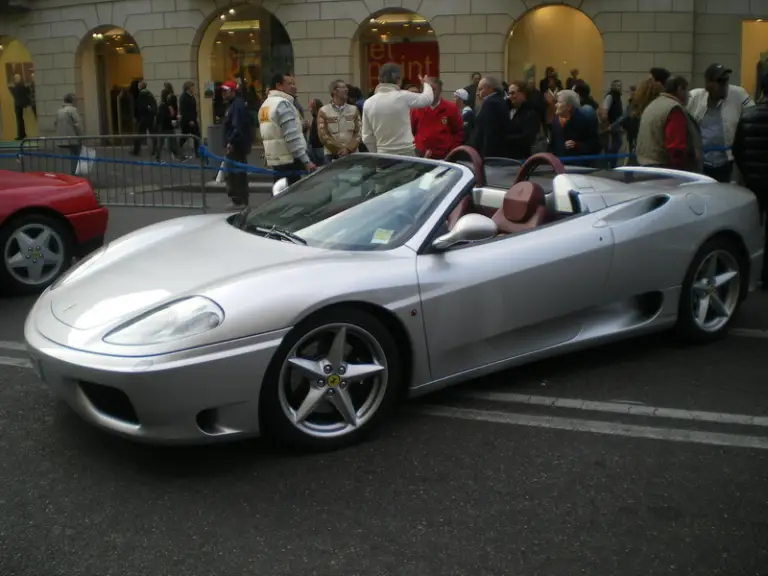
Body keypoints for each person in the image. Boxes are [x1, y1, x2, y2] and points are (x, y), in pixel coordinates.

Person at [687, 63, 755, 182]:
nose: (724, 85)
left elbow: (753, 115)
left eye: (726, 80)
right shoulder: (694, 97)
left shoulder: (738, 95)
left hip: (727, 161)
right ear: (708, 83)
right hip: (701, 162)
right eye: (720, 81)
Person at [732, 73, 768, 289]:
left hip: (753, 183)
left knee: (753, 227)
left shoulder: (748, 116)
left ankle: (748, 274)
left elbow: (737, 150)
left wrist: (748, 172)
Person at [361, 63, 433, 155]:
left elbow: (367, 137)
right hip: (406, 152)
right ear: (398, 80)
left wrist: (376, 154)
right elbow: (428, 99)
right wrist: (426, 84)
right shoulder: (403, 96)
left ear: (379, 79)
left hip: (383, 153)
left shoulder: (368, 103)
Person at [636, 75, 702, 173]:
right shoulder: (674, 109)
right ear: (679, 89)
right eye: (686, 90)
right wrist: (680, 171)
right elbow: (676, 148)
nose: (688, 95)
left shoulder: (652, 105)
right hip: (664, 170)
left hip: (644, 166)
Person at [258, 73, 315, 185]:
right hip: (290, 160)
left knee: (279, 191)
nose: (294, 87)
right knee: (291, 195)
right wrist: (306, 161)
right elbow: (291, 137)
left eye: (294, 83)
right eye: (289, 84)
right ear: (279, 85)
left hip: (276, 159)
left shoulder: (265, 105)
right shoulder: (283, 104)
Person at [410, 78, 462, 160]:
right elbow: (412, 131)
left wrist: (452, 150)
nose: (430, 93)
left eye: (434, 90)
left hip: (443, 157)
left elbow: (458, 132)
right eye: (428, 90)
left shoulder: (451, 108)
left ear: (440, 90)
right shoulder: (417, 108)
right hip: (420, 156)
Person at [221, 80, 252, 208]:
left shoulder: (237, 105)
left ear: (233, 91)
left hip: (236, 144)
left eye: (225, 91)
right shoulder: (234, 104)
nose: (223, 94)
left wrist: (231, 141)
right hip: (236, 143)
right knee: (234, 172)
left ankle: (239, 199)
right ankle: (238, 199)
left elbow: (237, 126)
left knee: (235, 173)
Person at [549, 89, 600, 163]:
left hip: (577, 167)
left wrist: (577, 145)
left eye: (559, 102)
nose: (555, 105)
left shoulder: (584, 120)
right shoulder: (556, 120)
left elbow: (595, 145)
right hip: (558, 166)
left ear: (568, 106)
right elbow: (553, 143)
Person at [317, 79, 361, 164]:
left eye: (346, 87)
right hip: (331, 156)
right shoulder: (323, 111)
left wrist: (348, 149)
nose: (346, 90)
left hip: (352, 154)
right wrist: (339, 149)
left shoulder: (354, 109)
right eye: (343, 87)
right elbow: (323, 135)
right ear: (334, 91)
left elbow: (359, 132)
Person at [470, 76, 511, 158]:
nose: (477, 93)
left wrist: (485, 156)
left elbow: (489, 132)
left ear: (490, 89)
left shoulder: (491, 103)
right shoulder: (499, 101)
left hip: (490, 155)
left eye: (480, 89)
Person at [506, 81, 542, 159]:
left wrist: (504, 138)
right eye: (508, 93)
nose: (509, 96)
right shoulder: (508, 110)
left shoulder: (531, 113)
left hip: (522, 158)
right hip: (509, 156)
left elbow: (528, 138)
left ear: (523, 94)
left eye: (513, 93)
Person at [54, 93, 83, 175]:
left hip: (61, 140)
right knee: (74, 158)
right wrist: (81, 136)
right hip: (72, 139)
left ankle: (65, 175)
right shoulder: (73, 110)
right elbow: (78, 124)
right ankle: (73, 174)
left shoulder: (59, 111)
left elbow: (55, 124)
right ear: (72, 100)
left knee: (64, 159)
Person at [131, 81, 157, 156]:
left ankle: (136, 151)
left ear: (141, 86)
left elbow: (139, 107)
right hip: (150, 118)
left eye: (139, 85)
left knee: (139, 135)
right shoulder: (150, 94)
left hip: (143, 118)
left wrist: (136, 116)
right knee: (153, 134)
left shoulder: (141, 95)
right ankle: (155, 150)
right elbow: (153, 105)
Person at [179, 81, 201, 158]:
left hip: (193, 120)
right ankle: (177, 149)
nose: (193, 88)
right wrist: (189, 120)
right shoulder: (184, 97)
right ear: (188, 88)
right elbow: (183, 110)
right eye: (192, 87)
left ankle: (197, 152)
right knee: (184, 137)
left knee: (197, 136)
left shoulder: (191, 96)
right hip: (187, 121)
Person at [307, 98, 325, 166]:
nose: (310, 109)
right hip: (315, 146)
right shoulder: (316, 117)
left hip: (318, 147)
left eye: (311, 107)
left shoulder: (319, 117)